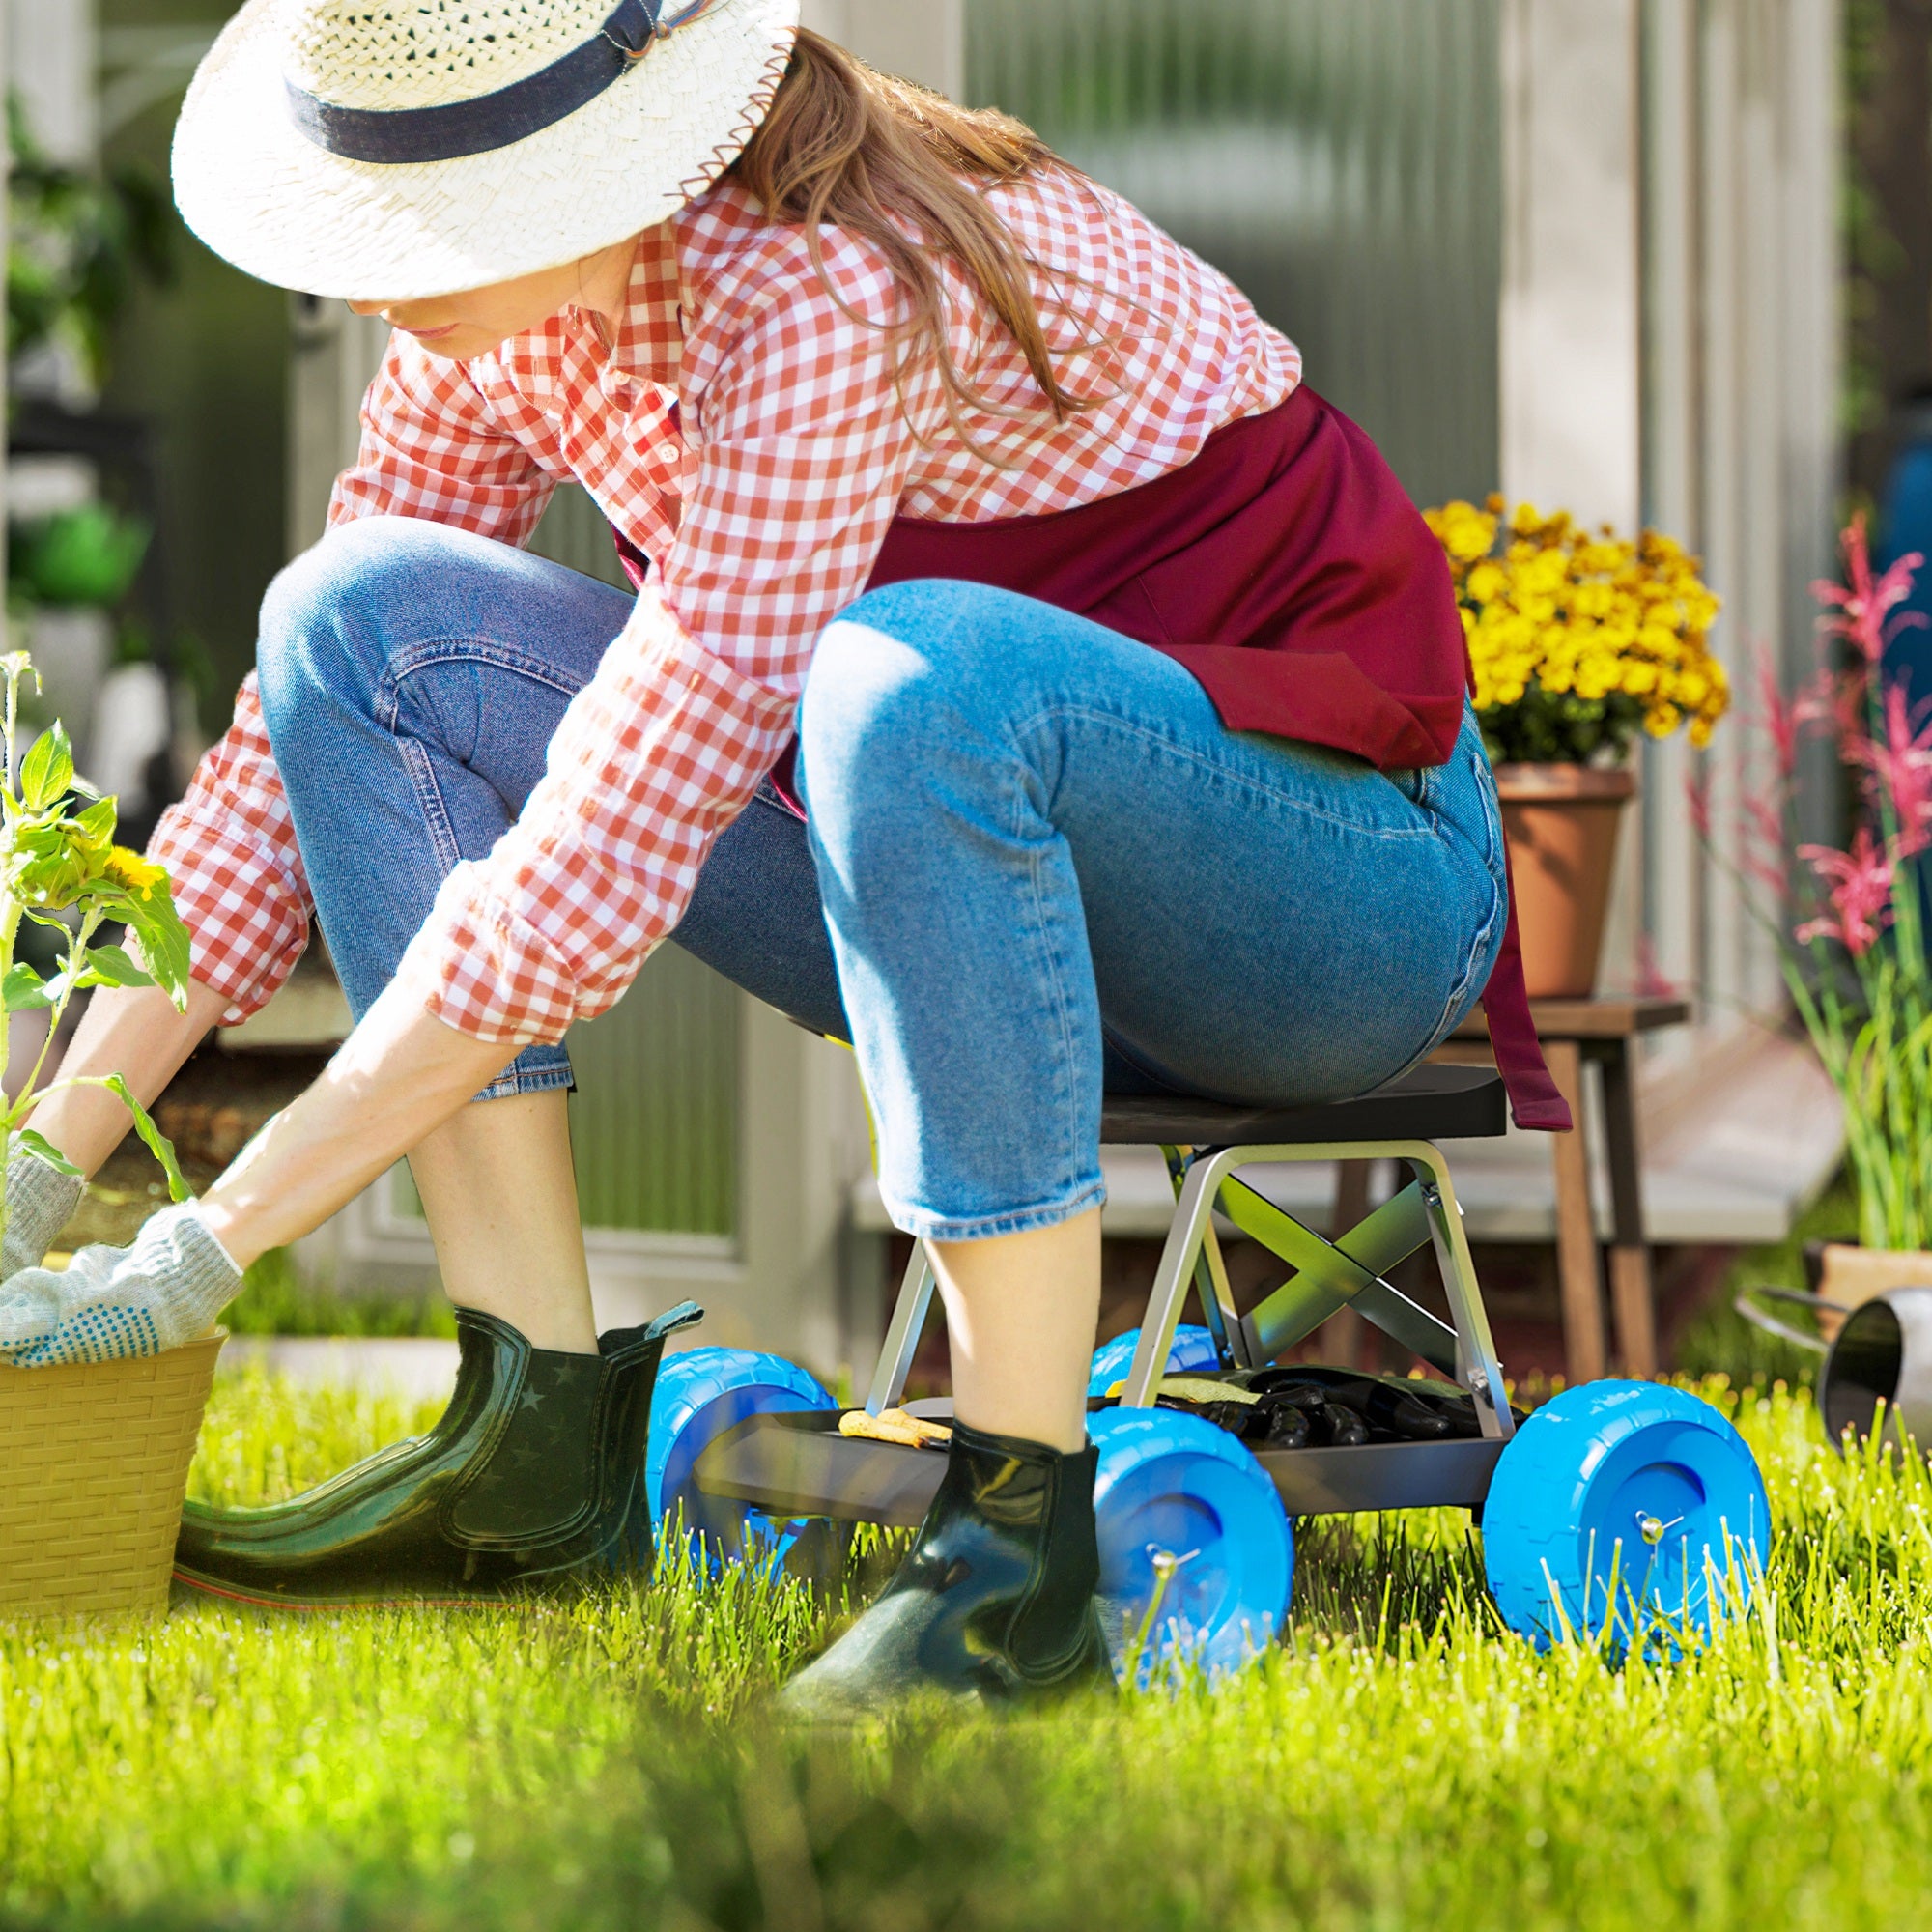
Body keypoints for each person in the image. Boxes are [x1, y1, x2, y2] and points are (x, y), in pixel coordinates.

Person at [0, 0, 1564, 1711]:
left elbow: (605, 847)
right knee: (350, 626)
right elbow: (264, 782)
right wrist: (42, 1168)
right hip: (959, 882)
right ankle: (529, 1444)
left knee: (902, 680)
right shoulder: (499, 313)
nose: (378, 274)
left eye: (431, 210)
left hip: (1325, 897)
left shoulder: (829, 284)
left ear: (579, 170)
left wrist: (208, 1244)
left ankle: (1012, 1551)